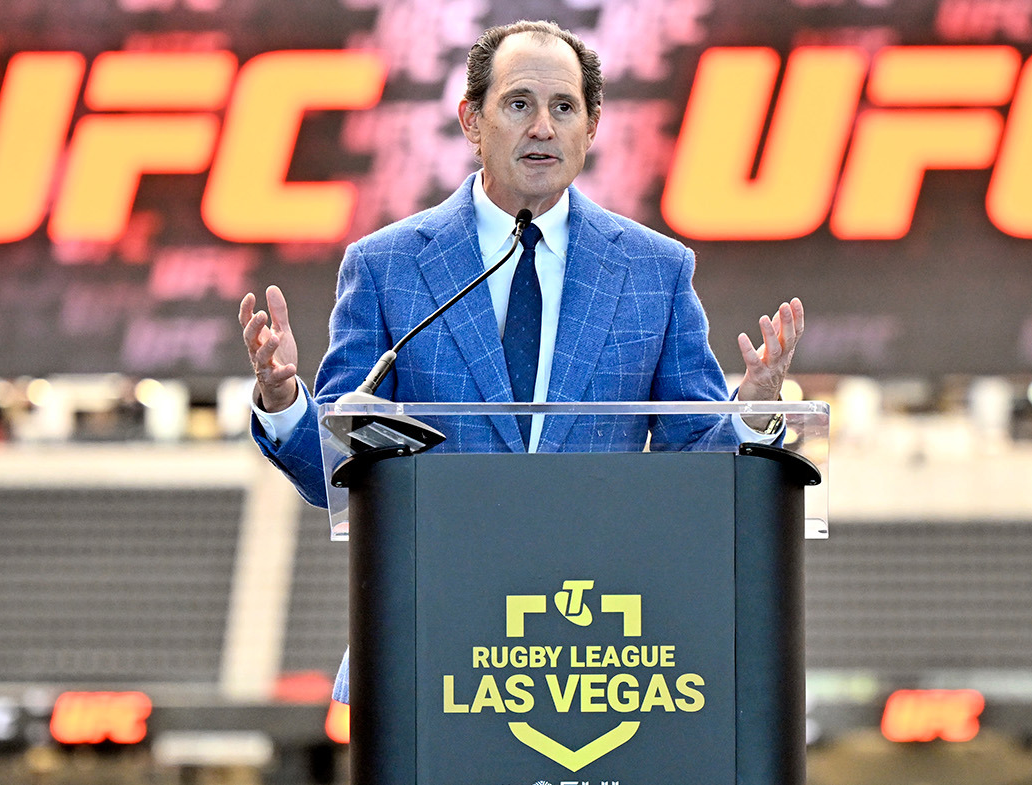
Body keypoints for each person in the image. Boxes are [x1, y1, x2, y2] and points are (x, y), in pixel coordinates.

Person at [238, 20, 805, 702]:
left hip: (604, 665)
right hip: (426, 655)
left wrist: (751, 414)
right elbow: (334, 469)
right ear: (472, 121)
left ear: (591, 128)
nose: (543, 126)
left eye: (564, 107)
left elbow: (697, 461)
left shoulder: (655, 271)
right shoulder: (387, 267)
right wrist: (282, 399)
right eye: (518, 104)